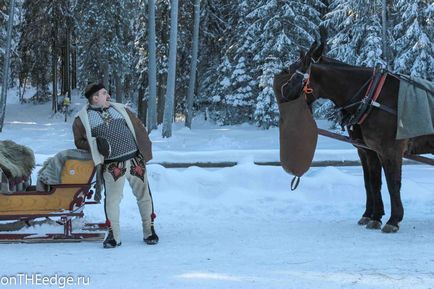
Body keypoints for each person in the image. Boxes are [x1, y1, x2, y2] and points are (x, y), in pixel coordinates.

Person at [72, 82, 159, 248]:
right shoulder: (82, 119)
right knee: (112, 201)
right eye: (104, 93)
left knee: (144, 195)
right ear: (95, 97)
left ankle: (149, 230)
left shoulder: (120, 109)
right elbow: (79, 142)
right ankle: (114, 236)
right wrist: (96, 144)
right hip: (113, 166)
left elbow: (138, 126)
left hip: (135, 160)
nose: (108, 96)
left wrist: (144, 145)